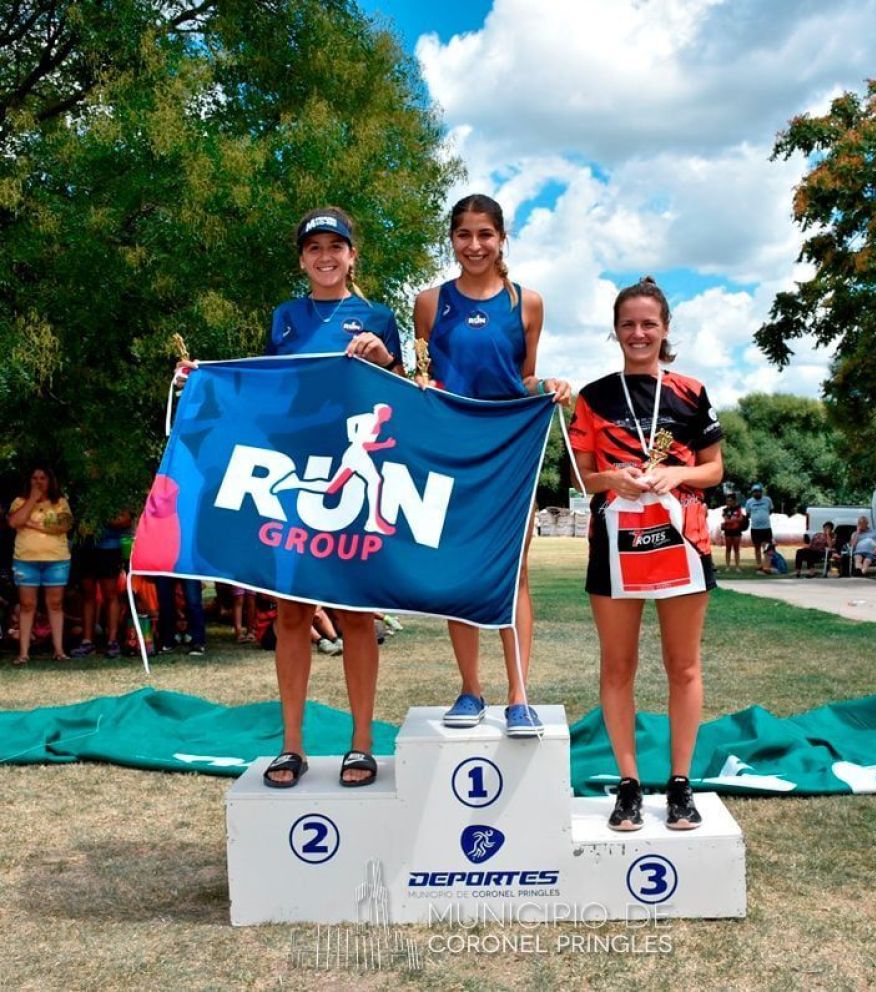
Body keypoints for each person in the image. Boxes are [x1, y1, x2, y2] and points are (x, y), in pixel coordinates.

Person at [178, 206, 403, 787]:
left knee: (355, 613)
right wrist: (204, 379)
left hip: (350, 479)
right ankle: (292, 746)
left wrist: (385, 359)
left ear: (353, 255)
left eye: (336, 247)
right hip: (293, 479)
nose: (326, 257)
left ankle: (361, 744)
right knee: (294, 614)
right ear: (303, 259)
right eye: (314, 249)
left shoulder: (378, 316)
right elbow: (261, 388)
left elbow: (405, 402)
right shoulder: (285, 317)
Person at [412, 193, 571, 737]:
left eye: (485, 234)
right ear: (451, 240)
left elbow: (523, 378)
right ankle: (470, 690)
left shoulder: (528, 303)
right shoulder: (430, 303)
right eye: (463, 235)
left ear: (502, 238)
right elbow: (425, 378)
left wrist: (548, 386)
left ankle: (519, 695)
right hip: (449, 453)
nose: (474, 245)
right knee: (458, 573)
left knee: (513, 573)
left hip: (509, 454)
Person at [569, 277, 724, 832]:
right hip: (614, 545)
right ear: (616, 331)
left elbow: (714, 469)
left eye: (649, 324)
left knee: (683, 666)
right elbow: (581, 476)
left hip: (683, 542)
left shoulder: (689, 390)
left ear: (664, 330)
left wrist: (677, 472)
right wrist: (613, 477)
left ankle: (681, 785)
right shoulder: (593, 397)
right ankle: (629, 785)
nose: (639, 333)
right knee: (618, 667)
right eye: (629, 324)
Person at [8, 467, 74, 664]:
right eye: (34, 478)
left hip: (56, 560)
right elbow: (14, 522)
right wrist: (32, 500)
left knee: (55, 604)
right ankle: (23, 653)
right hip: (25, 560)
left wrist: (31, 524)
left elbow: (63, 526)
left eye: (43, 478)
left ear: (50, 480)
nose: (38, 481)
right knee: (27, 606)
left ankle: (59, 650)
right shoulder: (20, 502)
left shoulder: (60, 502)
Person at [70, 511, 133, 658]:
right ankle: (87, 642)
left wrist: (98, 519)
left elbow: (125, 520)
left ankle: (112, 641)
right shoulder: (79, 491)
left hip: (109, 546)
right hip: (84, 546)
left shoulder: (112, 493)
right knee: (88, 594)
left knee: (110, 594)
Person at [744, 483, 773, 571]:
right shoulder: (749, 502)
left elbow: (770, 510)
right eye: (755, 492)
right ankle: (759, 565)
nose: (757, 493)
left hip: (766, 528)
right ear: (752, 493)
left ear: (761, 492)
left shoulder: (767, 500)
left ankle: (767, 565)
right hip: (755, 528)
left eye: (758, 492)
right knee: (757, 547)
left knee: (767, 547)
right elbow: (748, 514)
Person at [720, 491, 746, 570]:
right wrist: (735, 520)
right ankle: (727, 566)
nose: (728, 502)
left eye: (730, 500)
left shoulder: (738, 509)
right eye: (727, 501)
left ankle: (737, 566)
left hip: (737, 531)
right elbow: (726, 520)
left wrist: (732, 520)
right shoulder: (725, 510)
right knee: (728, 549)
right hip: (728, 531)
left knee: (736, 549)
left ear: (734, 501)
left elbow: (741, 518)